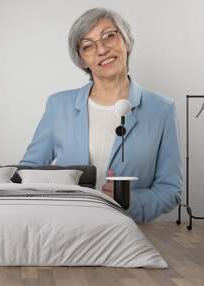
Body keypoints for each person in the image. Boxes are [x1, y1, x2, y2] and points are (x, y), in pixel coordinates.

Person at [20, 7, 183, 223]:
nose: (102, 49)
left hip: (126, 233)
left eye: (109, 36)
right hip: (64, 228)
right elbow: (28, 173)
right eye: (88, 46)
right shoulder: (58, 105)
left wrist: (129, 202)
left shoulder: (162, 109)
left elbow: (170, 189)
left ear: (126, 41)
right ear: (82, 60)